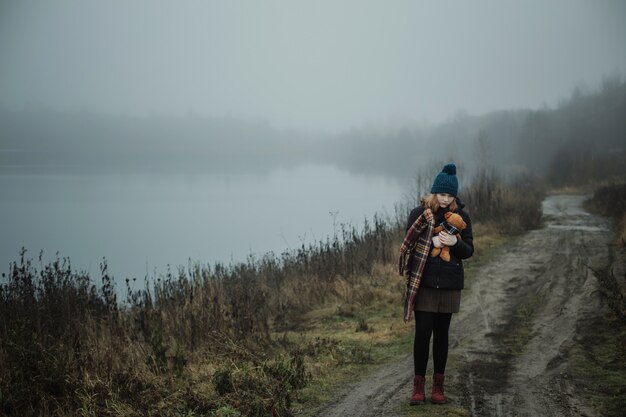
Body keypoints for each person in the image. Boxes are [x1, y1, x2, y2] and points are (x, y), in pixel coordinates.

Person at [400, 163, 474, 405]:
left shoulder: (462, 217)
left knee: (442, 335)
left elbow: (469, 251)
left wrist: (455, 242)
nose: (445, 199)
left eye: (450, 195)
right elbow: (409, 245)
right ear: (434, 192)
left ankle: (438, 387)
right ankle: (418, 387)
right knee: (422, 334)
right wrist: (431, 243)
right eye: (442, 194)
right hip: (425, 283)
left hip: (450, 284)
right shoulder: (419, 214)